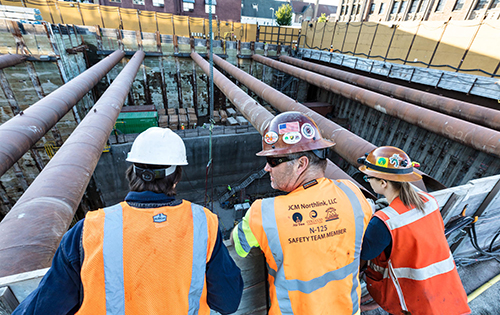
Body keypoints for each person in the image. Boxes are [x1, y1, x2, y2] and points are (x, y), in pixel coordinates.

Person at [13, 127, 243, 315]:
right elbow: (228, 301)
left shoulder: (87, 231)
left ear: (132, 171)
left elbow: (42, 308)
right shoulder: (203, 224)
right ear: (176, 178)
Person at [231, 111, 373, 315]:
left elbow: (239, 246)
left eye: (273, 161)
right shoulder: (352, 193)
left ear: (301, 164)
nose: (266, 168)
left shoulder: (263, 213)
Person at [358, 146, 470, 315]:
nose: (368, 180)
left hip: (411, 298)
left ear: (383, 183)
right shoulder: (429, 201)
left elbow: (364, 253)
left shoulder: (383, 222)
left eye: (368, 178)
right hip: (445, 288)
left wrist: (365, 216)